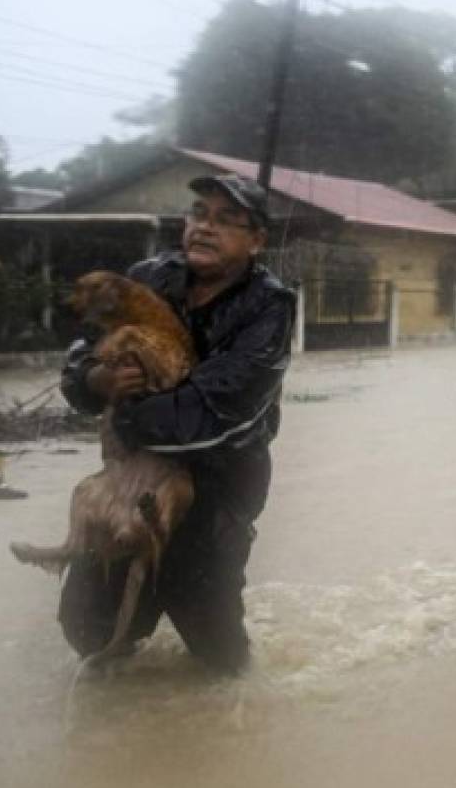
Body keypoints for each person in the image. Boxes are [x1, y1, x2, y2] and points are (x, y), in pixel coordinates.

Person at [58, 173, 295, 673]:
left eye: (227, 222)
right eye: (199, 215)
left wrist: (127, 418)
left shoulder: (268, 306)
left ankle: (224, 724)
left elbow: (217, 409)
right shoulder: (148, 276)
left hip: (220, 477)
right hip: (137, 474)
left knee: (215, 645)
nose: (205, 229)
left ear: (257, 241)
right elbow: (82, 351)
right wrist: (96, 381)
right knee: (87, 625)